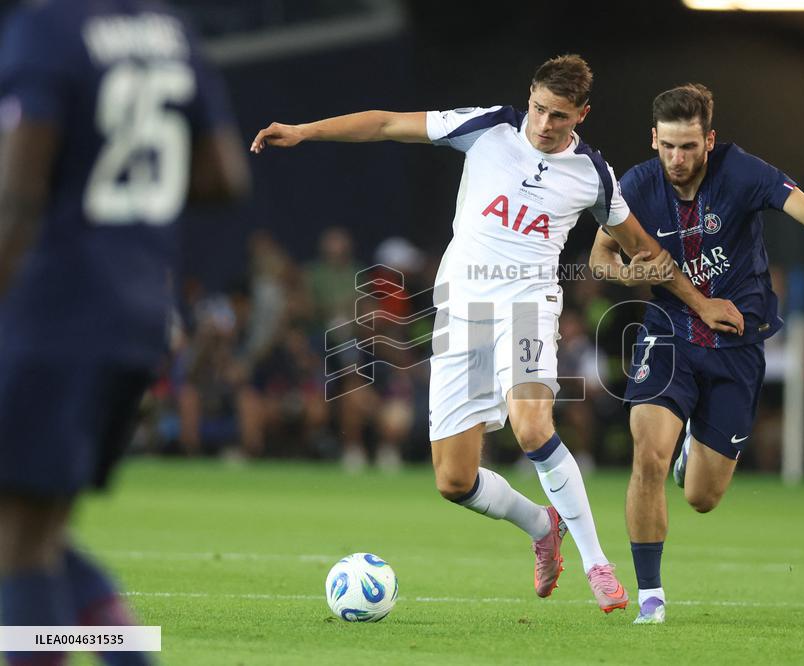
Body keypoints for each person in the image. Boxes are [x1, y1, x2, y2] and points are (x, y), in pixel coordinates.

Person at [252, 54, 695, 613]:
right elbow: (389, 123)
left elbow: (641, 248)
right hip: (464, 316)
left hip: (529, 307)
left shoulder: (592, 173)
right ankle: (542, 526)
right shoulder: (488, 128)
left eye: (559, 115)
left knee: (533, 426)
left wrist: (690, 295)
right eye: (537, 108)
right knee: (454, 480)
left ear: (582, 114)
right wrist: (305, 131)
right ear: (527, 97)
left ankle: (596, 563)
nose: (542, 124)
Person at [589, 83, 804, 624]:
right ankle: (650, 597)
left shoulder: (743, 173)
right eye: (667, 146)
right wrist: (629, 274)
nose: (677, 158)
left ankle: (692, 447)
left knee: (702, 496)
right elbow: (600, 257)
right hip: (669, 331)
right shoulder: (636, 185)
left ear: (710, 140)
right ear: (654, 139)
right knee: (645, 453)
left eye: (689, 147)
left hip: (736, 344)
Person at [0, 1, 249, 664]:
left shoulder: (47, 28)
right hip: (139, 311)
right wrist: (130, 208)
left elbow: (18, 197)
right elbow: (225, 173)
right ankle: (129, 650)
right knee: (37, 529)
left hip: (52, 310)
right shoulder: (170, 31)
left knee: (21, 538)